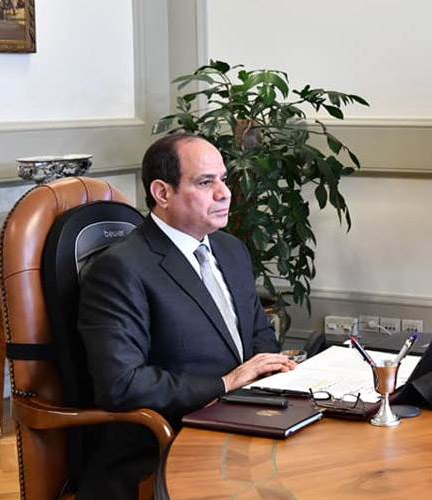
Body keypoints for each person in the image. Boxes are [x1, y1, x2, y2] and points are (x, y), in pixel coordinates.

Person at [76, 134, 296, 498]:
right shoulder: (120, 268)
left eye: (223, 179)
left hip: (245, 424)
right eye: (206, 182)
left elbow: (260, 335)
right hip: (167, 443)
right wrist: (225, 384)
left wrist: (264, 377)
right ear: (162, 193)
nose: (225, 193)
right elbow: (121, 385)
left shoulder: (231, 249)